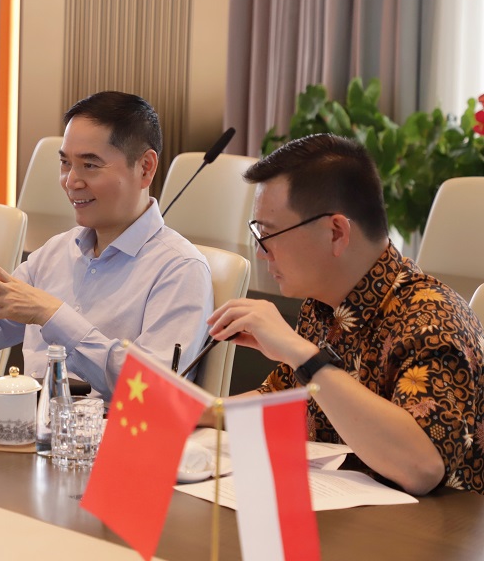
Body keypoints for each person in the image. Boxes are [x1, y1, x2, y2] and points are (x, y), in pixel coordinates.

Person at [207, 133, 484, 495]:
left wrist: (303, 354)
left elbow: (422, 467)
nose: (261, 252)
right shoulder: (323, 305)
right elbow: (282, 399)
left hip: (435, 527)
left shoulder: (433, 320)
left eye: (269, 234)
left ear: (336, 232)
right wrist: (198, 411)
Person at [0, 91, 213, 397]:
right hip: (30, 418)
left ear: (145, 168)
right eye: (65, 163)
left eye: (90, 165)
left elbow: (154, 391)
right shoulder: (55, 252)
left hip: (108, 425)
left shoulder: (180, 269)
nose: (71, 181)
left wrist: (54, 316)